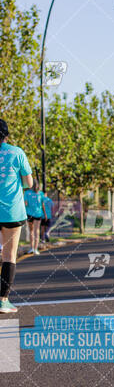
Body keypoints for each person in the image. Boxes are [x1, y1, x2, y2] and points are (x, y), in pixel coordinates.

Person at [0, 119, 33, 313]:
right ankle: (3, 300)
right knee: (9, 255)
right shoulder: (16, 152)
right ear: (6, 134)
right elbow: (28, 182)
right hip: (12, 212)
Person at [25, 179, 45, 255]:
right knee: (36, 231)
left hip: (30, 214)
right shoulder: (41, 193)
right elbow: (43, 205)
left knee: (32, 231)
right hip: (38, 214)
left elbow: (26, 204)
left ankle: (32, 248)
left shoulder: (27, 193)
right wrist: (45, 214)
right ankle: (35, 249)